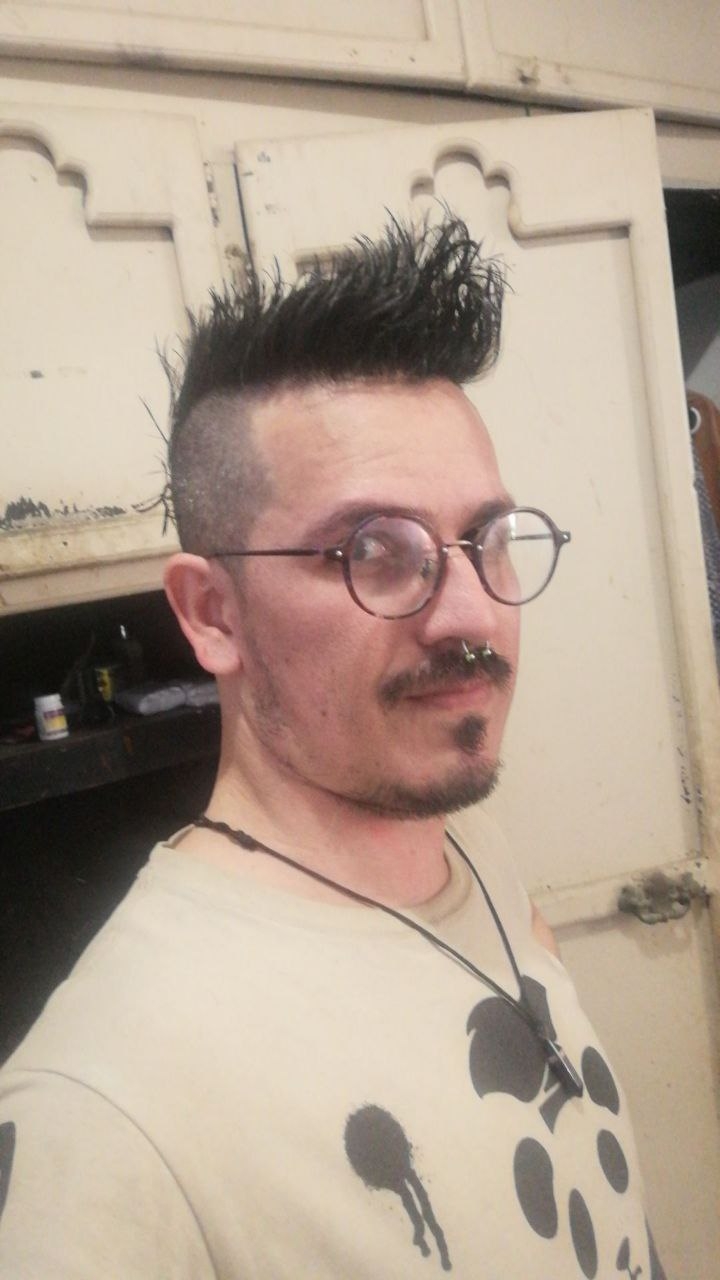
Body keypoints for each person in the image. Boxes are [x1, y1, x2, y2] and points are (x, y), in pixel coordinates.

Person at [0, 217, 666, 1278]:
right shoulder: (103, 1122)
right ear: (212, 613)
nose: (474, 613)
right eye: (373, 549)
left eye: (488, 539)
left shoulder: (464, 847)